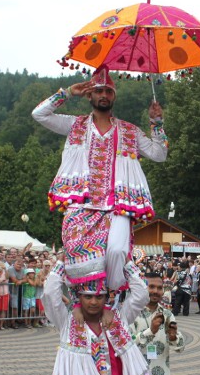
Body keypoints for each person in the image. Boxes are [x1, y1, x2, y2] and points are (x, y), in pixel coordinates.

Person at [32, 65, 167, 291]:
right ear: (89, 95)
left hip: (118, 205)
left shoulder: (129, 131)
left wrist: (156, 123)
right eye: (98, 91)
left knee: (117, 251)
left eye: (108, 91)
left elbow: (159, 154)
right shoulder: (75, 125)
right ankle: (84, 301)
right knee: (77, 257)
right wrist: (67, 92)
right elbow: (39, 114)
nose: (103, 95)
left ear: (114, 96)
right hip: (82, 203)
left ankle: (112, 296)